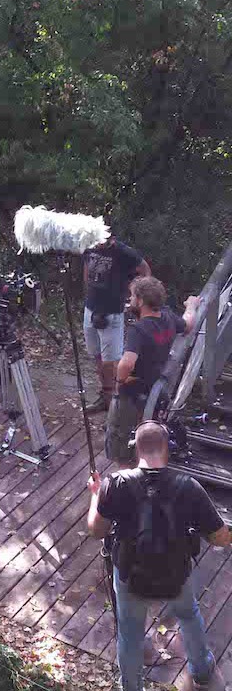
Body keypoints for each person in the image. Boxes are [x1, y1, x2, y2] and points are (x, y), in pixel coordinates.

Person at [87, 421, 230, 691]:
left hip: (130, 575)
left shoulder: (114, 484)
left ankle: (131, 687)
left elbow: (96, 530)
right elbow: (220, 537)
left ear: (135, 449)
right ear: (168, 449)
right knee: (189, 616)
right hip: (176, 574)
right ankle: (201, 671)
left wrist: (96, 495)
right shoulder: (189, 487)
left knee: (129, 634)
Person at [106, 276, 199, 465]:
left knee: (118, 434)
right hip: (155, 385)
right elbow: (188, 325)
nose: (130, 300)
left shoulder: (138, 330)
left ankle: (124, 470)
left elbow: (127, 363)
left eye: (132, 297)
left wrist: (118, 383)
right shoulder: (167, 316)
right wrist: (192, 306)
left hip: (133, 389)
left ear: (140, 301)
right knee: (149, 422)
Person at [83, 235, 151, 413]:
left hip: (112, 313)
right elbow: (86, 269)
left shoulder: (123, 252)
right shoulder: (88, 245)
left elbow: (145, 270)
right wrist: (88, 294)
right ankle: (105, 398)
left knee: (112, 362)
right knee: (97, 356)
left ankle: (118, 406)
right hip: (90, 309)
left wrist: (136, 299)